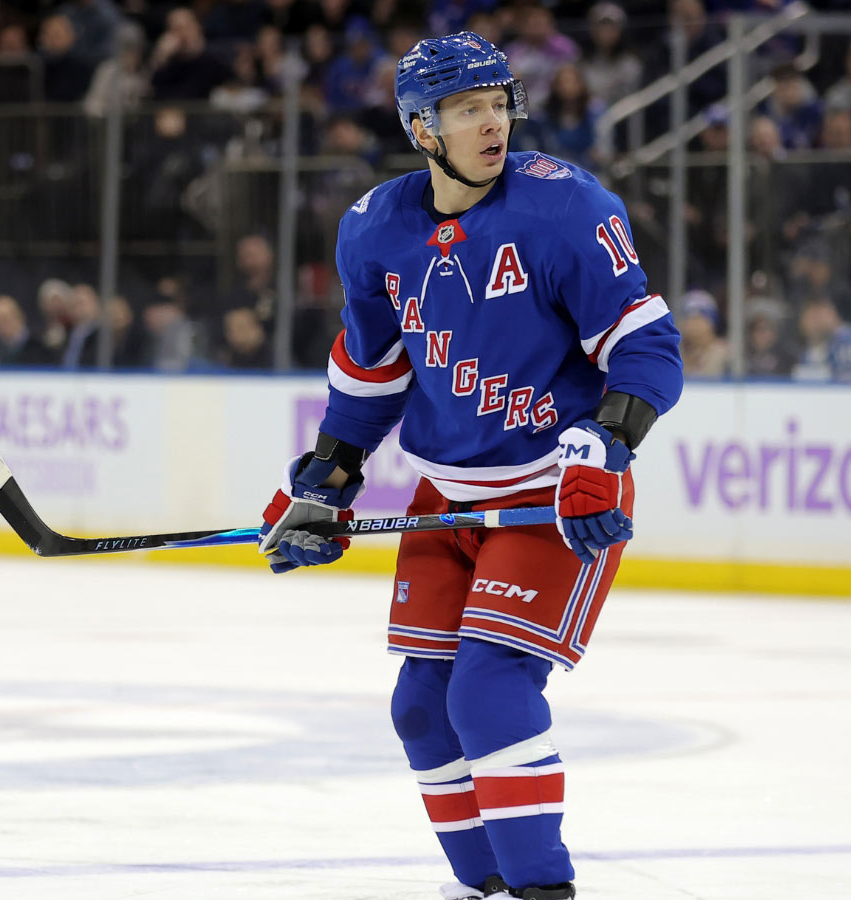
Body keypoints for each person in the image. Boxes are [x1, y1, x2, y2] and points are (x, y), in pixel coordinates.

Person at [256, 33, 683, 900]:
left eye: (498, 103)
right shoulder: (374, 228)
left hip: (554, 493)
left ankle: (541, 890)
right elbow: (372, 373)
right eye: (466, 110)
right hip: (446, 496)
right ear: (422, 129)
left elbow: (646, 346)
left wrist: (604, 448)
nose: (493, 124)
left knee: (488, 692)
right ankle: (481, 886)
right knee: (420, 707)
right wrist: (326, 479)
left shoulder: (566, 208)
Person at [792, 296, 851, 382]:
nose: (815, 322)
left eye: (818, 315)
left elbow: (849, 379)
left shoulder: (846, 338)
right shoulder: (810, 347)